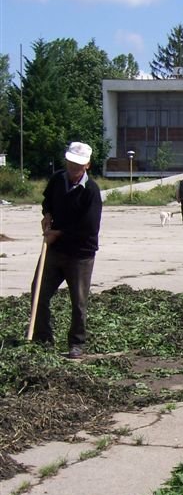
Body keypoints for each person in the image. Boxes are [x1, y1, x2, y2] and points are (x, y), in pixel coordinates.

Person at [31, 141, 102, 359]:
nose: (73, 168)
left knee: (78, 302)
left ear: (87, 165)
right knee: (38, 293)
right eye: (70, 163)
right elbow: (48, 202)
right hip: (55, 251)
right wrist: (47, 215)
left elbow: (88, 228)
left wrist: (58, 233)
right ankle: (43, 338)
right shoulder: (57, 179)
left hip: (80, 254)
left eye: (78, 165)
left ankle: (76, 343)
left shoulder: (91, 191)